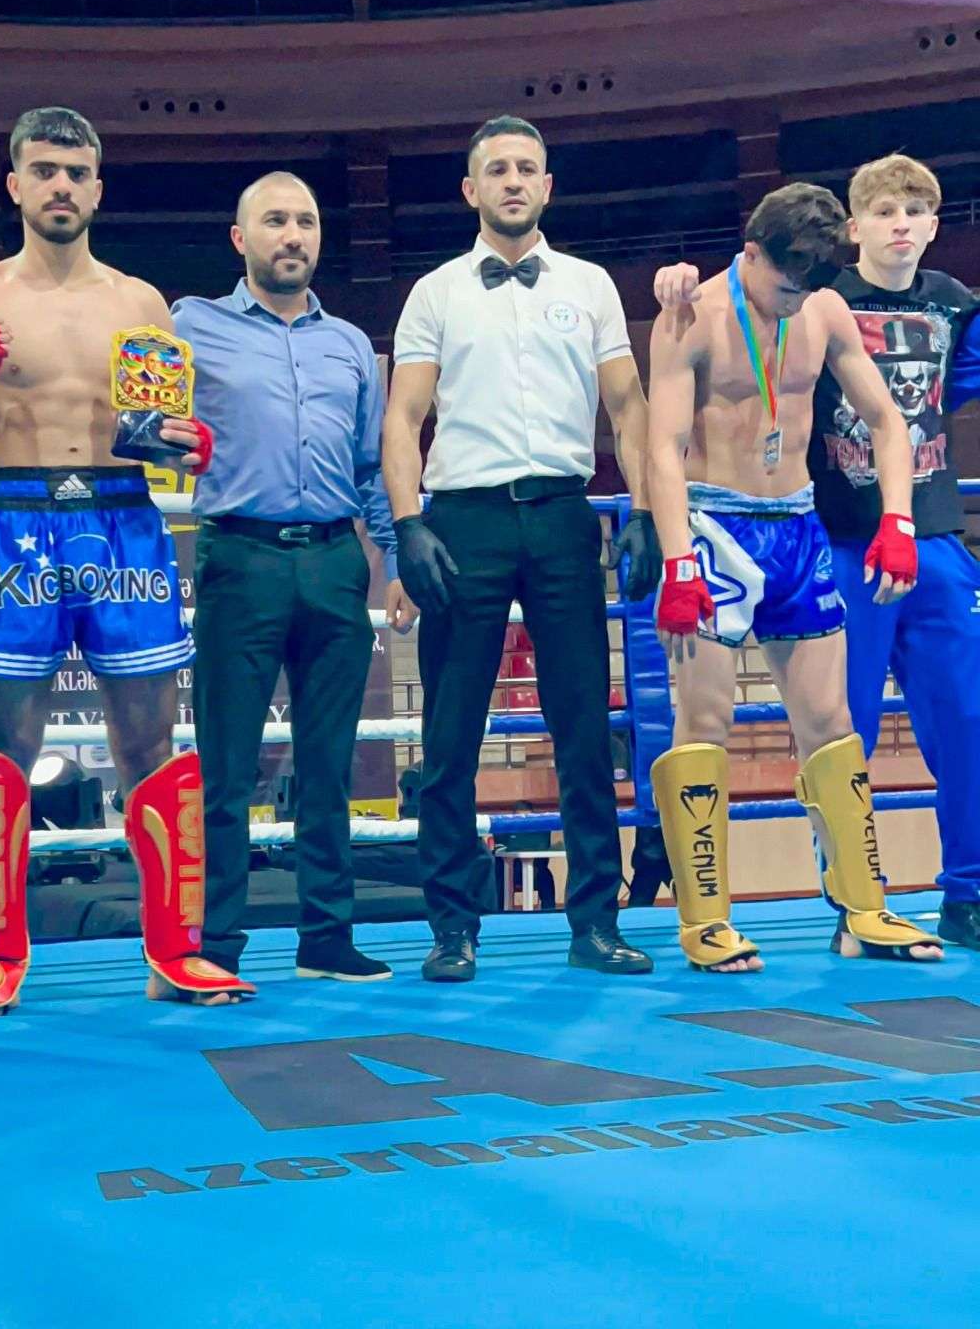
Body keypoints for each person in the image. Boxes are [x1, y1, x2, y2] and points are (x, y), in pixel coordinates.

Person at [0, 107, 252, 1009]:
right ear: (15, 185)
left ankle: (176, 951)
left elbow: (154, 431)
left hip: (123, 518)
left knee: (150, 740)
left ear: (98, 188)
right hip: (18, 515)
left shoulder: (140, 303)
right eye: (44, 170)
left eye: (76, 172)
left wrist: (186, 445)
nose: (61, 186)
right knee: (4, 742)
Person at [654, 154, 980, 952]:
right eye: (783, 285)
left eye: (808, 286)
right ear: (751, 253)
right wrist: (677, 560)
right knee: (706, 720)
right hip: (717, 530)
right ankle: (705, 921)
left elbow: (889, 419)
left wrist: (897, 520)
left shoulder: (826, 308)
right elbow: (660, 447)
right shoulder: (692, 315)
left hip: (800, 526)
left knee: (832, 723)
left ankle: (862, 910)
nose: (793, 300)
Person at [383, 114, 662, 981]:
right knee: (450, 733)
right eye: (497, 168)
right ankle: (451, 928)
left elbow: (629, 405)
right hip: (463, 520)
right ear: (471, 189)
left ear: (547, 185)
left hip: (563, 514)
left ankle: (596, 923)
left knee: (583, 725)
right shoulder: (436, 291)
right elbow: (403, 415)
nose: (512, 180)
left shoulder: (591, 284)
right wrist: (407, 525)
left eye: (526, 168)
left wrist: (645, 509)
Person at [171, 171, 414, 988]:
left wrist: (394, 562)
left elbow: (371, 466)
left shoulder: (350, 345)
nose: (293, 235)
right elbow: (137, 413)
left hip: (336, 560)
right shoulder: (189, 324)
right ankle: (216, 944)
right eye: (275, 220)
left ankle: (327, 938)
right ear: (240, 238)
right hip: (240, 556)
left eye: (305, 221)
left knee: (329, 762)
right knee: (226, 765)